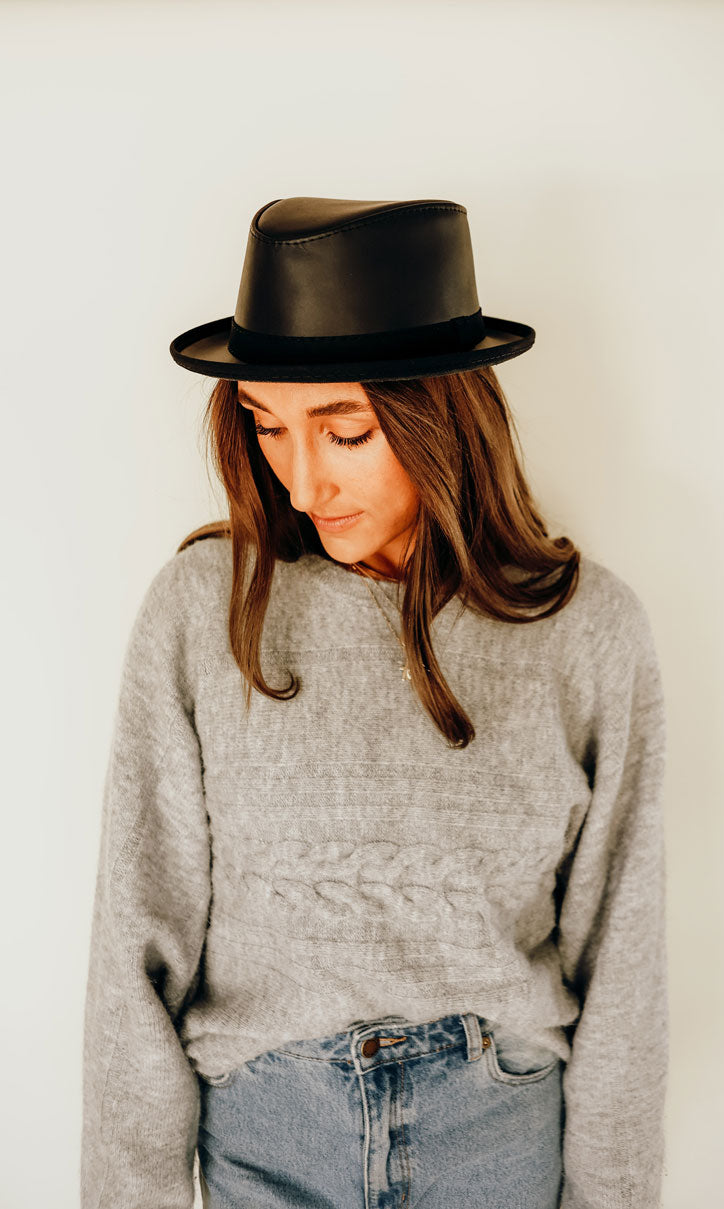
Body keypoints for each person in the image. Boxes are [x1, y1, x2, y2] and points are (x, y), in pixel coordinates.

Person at [80, 196, 669, 1209]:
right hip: (267, 1135)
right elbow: (135, 939)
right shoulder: (202, 611)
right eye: (266, 427)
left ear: (438, 416)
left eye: (342, 430)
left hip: (495, 1134)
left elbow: (625, 959)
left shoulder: (586, 632)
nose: (301, 480)